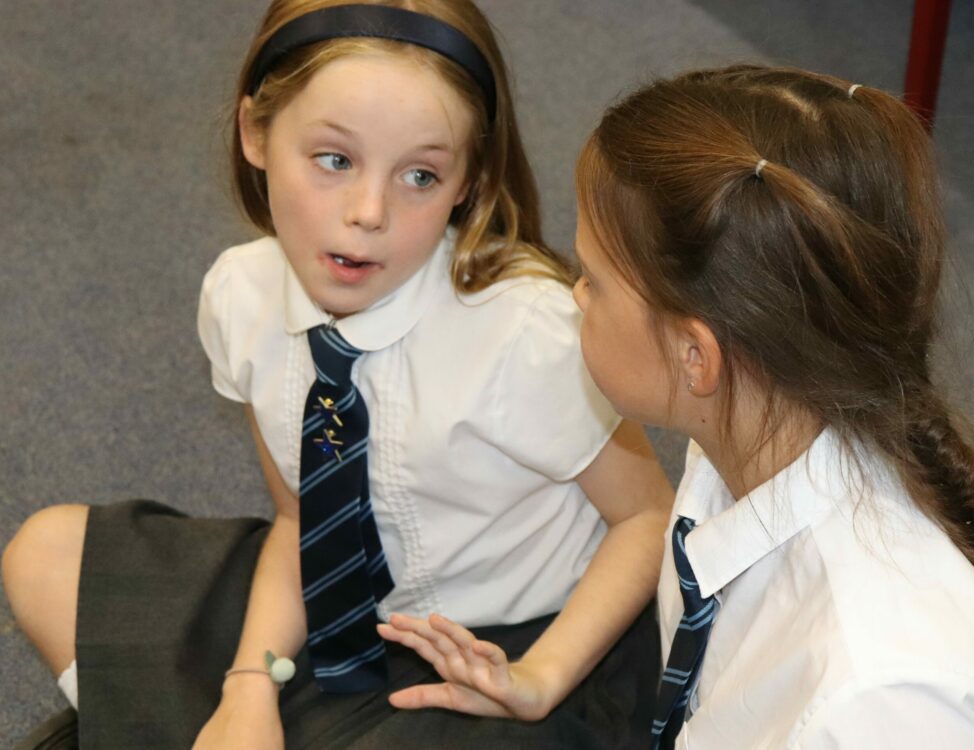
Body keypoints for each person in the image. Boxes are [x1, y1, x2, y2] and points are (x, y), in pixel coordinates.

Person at [1, 2, 671, 748]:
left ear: (468, 182)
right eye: (334, 159)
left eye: (420, 174)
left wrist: (539, 679)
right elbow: (297, 518)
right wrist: (249, 685)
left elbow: (645, 519)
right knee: (45, 556)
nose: (369, 211)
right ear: (255, 131)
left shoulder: (528, 332)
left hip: (505, 648)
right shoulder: (239, 295)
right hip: (339, 611)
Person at [562, 64, 974, 748]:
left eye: (592, 279)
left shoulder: (882, 701)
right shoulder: (746, 427)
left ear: (694, 355)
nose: (575, 296)